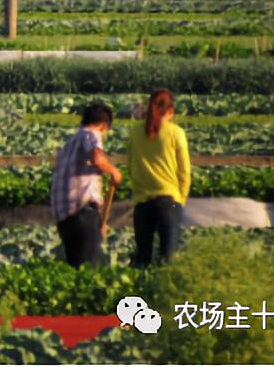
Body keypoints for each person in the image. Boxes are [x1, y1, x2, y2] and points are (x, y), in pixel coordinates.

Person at [50, 102, 123, 268]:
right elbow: (97, 158)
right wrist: (113, 171)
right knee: (89, 268)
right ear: (104, 126)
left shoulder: (68, 145)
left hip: (64, 217)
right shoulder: (92, 134)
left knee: (75, 267)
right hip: (82, 212)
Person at [127, 89, 191, 267]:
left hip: (141, 202)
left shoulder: (135, 132)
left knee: (143, 259)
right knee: (167, 260)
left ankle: (139, 293)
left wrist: (139, 190)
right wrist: (181, 199)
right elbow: (184, 172)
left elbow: (131, 167)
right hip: (167, 200)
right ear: (170, 112)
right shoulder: (176, 133)